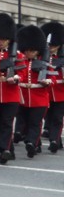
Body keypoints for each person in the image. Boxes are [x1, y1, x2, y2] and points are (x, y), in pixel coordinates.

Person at [0, 13, 21, 164]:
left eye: (4, 39)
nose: (0, 42)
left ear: (9, 39)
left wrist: (16, 77)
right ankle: (8, 151)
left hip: (10, 94)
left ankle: (5, 150)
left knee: (7, 123)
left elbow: (23, 71)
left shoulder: (17, 55)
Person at [16, 26, 53, 158]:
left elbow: (51, 77)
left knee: (35, 123)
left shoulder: (44, 62)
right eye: (27, 50)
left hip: (39, 98)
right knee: (24, 121)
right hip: (24, 97)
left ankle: (31, 143)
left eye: (32, 51)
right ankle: (33, 142)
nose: (29, 53)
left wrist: (47, 81)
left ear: (38, 51)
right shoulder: (20, 61)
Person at [41, 21, 64, 153]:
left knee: (57, 118)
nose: (51, 48)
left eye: (53, 45)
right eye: (49, 45)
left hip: (60, 92)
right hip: (45, 91)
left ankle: (54, 140)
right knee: (46, 116)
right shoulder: (43, 56)